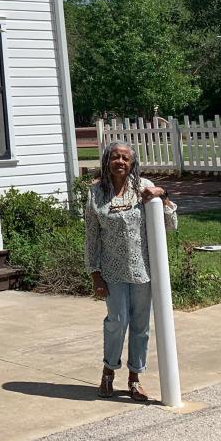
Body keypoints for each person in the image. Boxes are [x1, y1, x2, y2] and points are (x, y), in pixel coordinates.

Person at [84, 143, 177, 401]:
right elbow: (91, 238)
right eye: (115, 157)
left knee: (140, 326)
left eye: (125, 158)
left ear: (132, 163)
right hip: (112, 272)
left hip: (142, 271)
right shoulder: (96, 194)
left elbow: (169, 224)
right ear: (107, 161)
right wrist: (95, 274)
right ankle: (107, 372)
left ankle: (135, 378)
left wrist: (162, 194)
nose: (120, 162)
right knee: (116, 322)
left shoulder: (142, 187)